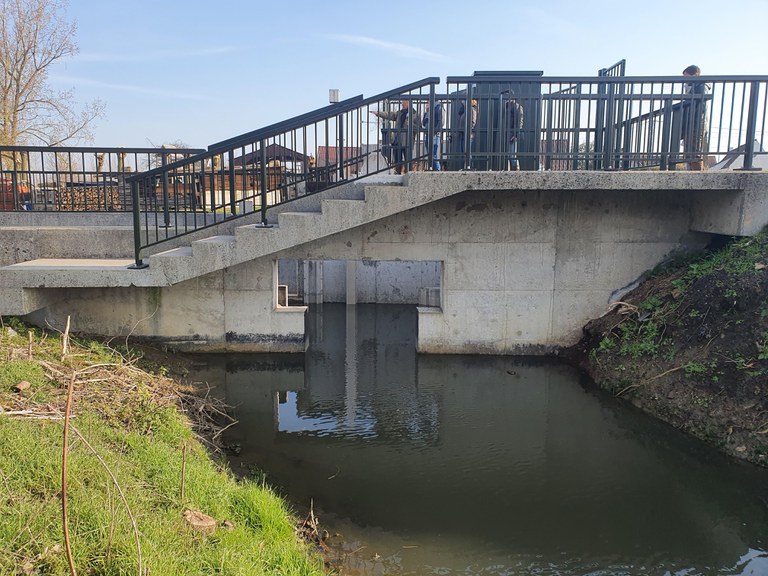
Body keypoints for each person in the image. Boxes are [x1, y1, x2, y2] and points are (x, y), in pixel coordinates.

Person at [370, 99, 419, 175]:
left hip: (407, 141)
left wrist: (409, 124)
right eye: (402, 102)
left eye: (404, 102)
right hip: (397, 140)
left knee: (408, 160)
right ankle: (397, 174)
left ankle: (408, 175)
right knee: (397, 159)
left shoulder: (415, 114)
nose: (402, 104)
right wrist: (378, 113)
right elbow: (389, 115)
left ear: (409, 103)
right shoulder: (399, 113)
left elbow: (419, 127)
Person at [680, 64, 709, 171]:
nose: (685, 81)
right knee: (689, 153)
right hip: (691, 124)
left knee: (695, 153)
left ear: (695, 74)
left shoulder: (701, 87)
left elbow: (700, 107)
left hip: (697, 124)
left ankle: (697, 177)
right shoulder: (693, 87)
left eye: (686, 77)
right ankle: (691, 173)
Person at [422, 101, 444, 171]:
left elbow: (441, 121)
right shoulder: (429, 111)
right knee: (430, 154)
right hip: (428, 134)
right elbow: (423, 123)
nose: (426, 104)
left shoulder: (438, 107)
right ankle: (433, 170)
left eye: (427, 102)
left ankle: (437, 171)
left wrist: (435, 131)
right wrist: (426, 112)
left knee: (433, 155)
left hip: (434, 134)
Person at [457, 98, 478, 170]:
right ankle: (466, 166)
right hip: (463, 133)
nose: (463, 102)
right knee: (464, 151)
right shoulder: (464, 111)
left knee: (467, 151)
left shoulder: (472, 110)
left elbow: (473, 122)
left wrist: (468, 130)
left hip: (468, 134)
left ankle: (469, 166)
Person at [505, 96, 524, 171]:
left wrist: (516, 135)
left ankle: (515, 171)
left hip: (511, 133)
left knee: (512, 154)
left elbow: (519, 121)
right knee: (508, 154)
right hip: (507, 133)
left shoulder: (516, 106)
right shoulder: (507, 106)